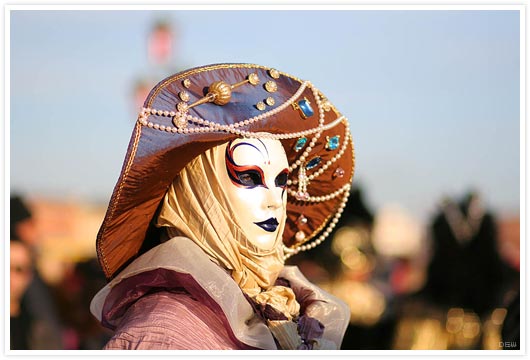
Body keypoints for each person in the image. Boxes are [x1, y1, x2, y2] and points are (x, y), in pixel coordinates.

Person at [90, 63, 355, 350]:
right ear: (200, 193)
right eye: (249, 177)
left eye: (281, 181)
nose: (273, 201)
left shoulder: (288, 305)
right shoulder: (163, 331)